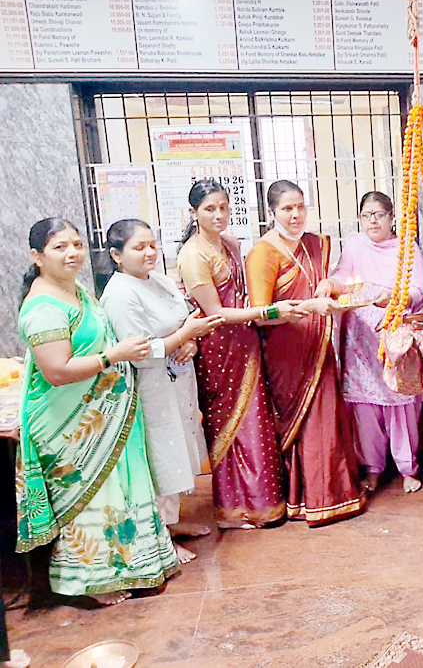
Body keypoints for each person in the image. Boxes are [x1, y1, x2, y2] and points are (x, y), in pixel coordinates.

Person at [16, 218, 179, 605]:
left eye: (76, 244)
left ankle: (132, 564)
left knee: (117, 492)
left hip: (105, 417)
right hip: (69, 424)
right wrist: (113, 356)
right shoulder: (43, 306)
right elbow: (57, 372)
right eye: (60, 247)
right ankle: (92, 580)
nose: (72, 253)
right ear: (37, 256)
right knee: (92, 498)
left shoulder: (74, 290)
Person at [100, 219, 224, 562]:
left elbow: (186, 320)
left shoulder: (159, 280)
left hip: (178, 380)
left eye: (152, 245)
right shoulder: (120, 293)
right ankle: (160, 537)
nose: (149, 253)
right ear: (116, 255)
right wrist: (183, 336)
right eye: (139, 247)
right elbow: (139, 351)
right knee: (159, 459)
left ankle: (172, 522)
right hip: (150, 388)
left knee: (179, 450)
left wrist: (190, 341)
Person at [245, 180, 366, 525]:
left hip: (319, 346)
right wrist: (308, 307)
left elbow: (330, 285)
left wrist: (332, 287)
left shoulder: (314, 244)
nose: (296, 214)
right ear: (272, 212)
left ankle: (334, 494)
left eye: (300, 206)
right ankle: (305, 498)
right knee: (304, 423)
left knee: (327, 418)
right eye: (287, 208)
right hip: (287, 352)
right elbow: (260, 315)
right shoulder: (263, 254)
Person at [177, 179, 296, 529]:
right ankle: (234, 508)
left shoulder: (229, 243)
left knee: (256, 419)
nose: (219, 214)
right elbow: (214, 313)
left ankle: (263, 502)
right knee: (229, 425)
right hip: (219, 348)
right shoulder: (193, 255)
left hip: (245, 339)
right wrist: (268, 312)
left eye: (223, 207)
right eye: (209, 209)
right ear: (194, 213)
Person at [323, 191, 423, 494]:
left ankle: (408, 468)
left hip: (395, 337)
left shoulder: (407, 248)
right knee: (365, 407)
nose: (373, 221)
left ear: (391, 218)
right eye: (367, 215)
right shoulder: (355, 244)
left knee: (401, 405)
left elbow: (419, 290)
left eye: (379, 214)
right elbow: (343, 275)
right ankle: (372, 468)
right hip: (360, 339)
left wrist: (395, 296)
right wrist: (331, 284)